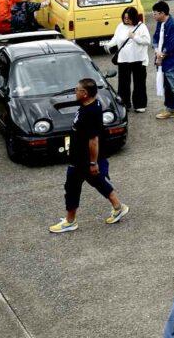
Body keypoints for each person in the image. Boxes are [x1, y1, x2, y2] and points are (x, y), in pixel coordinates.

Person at [49, 77, 129, 233]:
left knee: (72, 187)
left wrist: (93, 163)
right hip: (82, 157)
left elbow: (93, 140)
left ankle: (70, 222)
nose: (74, 92)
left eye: (77, 90)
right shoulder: (91, 104)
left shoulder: (90, 112)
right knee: (97, 181)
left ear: (85, 93)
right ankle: (118, 207)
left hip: (81, 159)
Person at [107, 6, 152, 113]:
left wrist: (135, 37)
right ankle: (124, 104)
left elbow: (147, 41)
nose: (126, 20)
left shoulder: (141, 27)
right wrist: (109, 45)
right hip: (123, 59)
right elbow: (115, 38)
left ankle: (140, 104)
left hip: (138, 59)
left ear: (134, 17)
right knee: (123, 84)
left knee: (139, 83)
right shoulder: (120, 26)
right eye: (125, 18)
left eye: (128, 18)